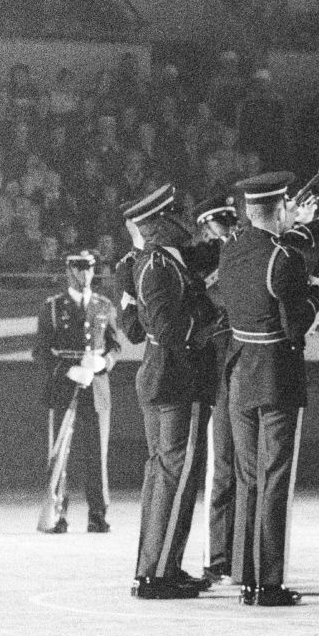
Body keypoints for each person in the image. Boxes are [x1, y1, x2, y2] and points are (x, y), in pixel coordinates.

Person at [219, 171, 319, 607]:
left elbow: (290, 245)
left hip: (240, 370)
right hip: (276, 373)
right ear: (279, 210)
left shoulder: (233, 252)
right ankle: (268, 582)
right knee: (275, 476)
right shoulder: (284, 258)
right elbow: (297, 325)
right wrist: (317, 291)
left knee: (247, 477)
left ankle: (246, 573)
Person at [118, 185, 223, 599]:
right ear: (161, 223)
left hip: (164, 377)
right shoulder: (159, 266)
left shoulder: (161, 260)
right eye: (177, 215)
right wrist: (214, 312)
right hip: (178, 378)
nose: (187, 221)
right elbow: (171, 330)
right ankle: (157, 574)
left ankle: (160, 566)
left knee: (165, 476)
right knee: (176, 478)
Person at [32, 250, 120, 535]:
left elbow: (114, 346)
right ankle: (58, 514)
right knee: (61, 456)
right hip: (64, 387)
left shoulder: (103, 305)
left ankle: (98, 515)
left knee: (97, 454)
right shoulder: (54, 307)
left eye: (89, 270)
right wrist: (67, 369)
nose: (85, 275)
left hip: (96, 388)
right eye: (79, 270)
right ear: (68, 272)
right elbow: (41, 352)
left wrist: (102, 362)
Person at [190, 194, 241, 585]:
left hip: (245, 365)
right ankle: (219, 557)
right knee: (222, 468)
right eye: (220, 225)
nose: (226, 230)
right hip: (220, 368)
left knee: (247, 466)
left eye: (230, 222)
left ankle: (242, 552)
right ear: (207, 227)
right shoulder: (201, 262)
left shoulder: (244, 252)